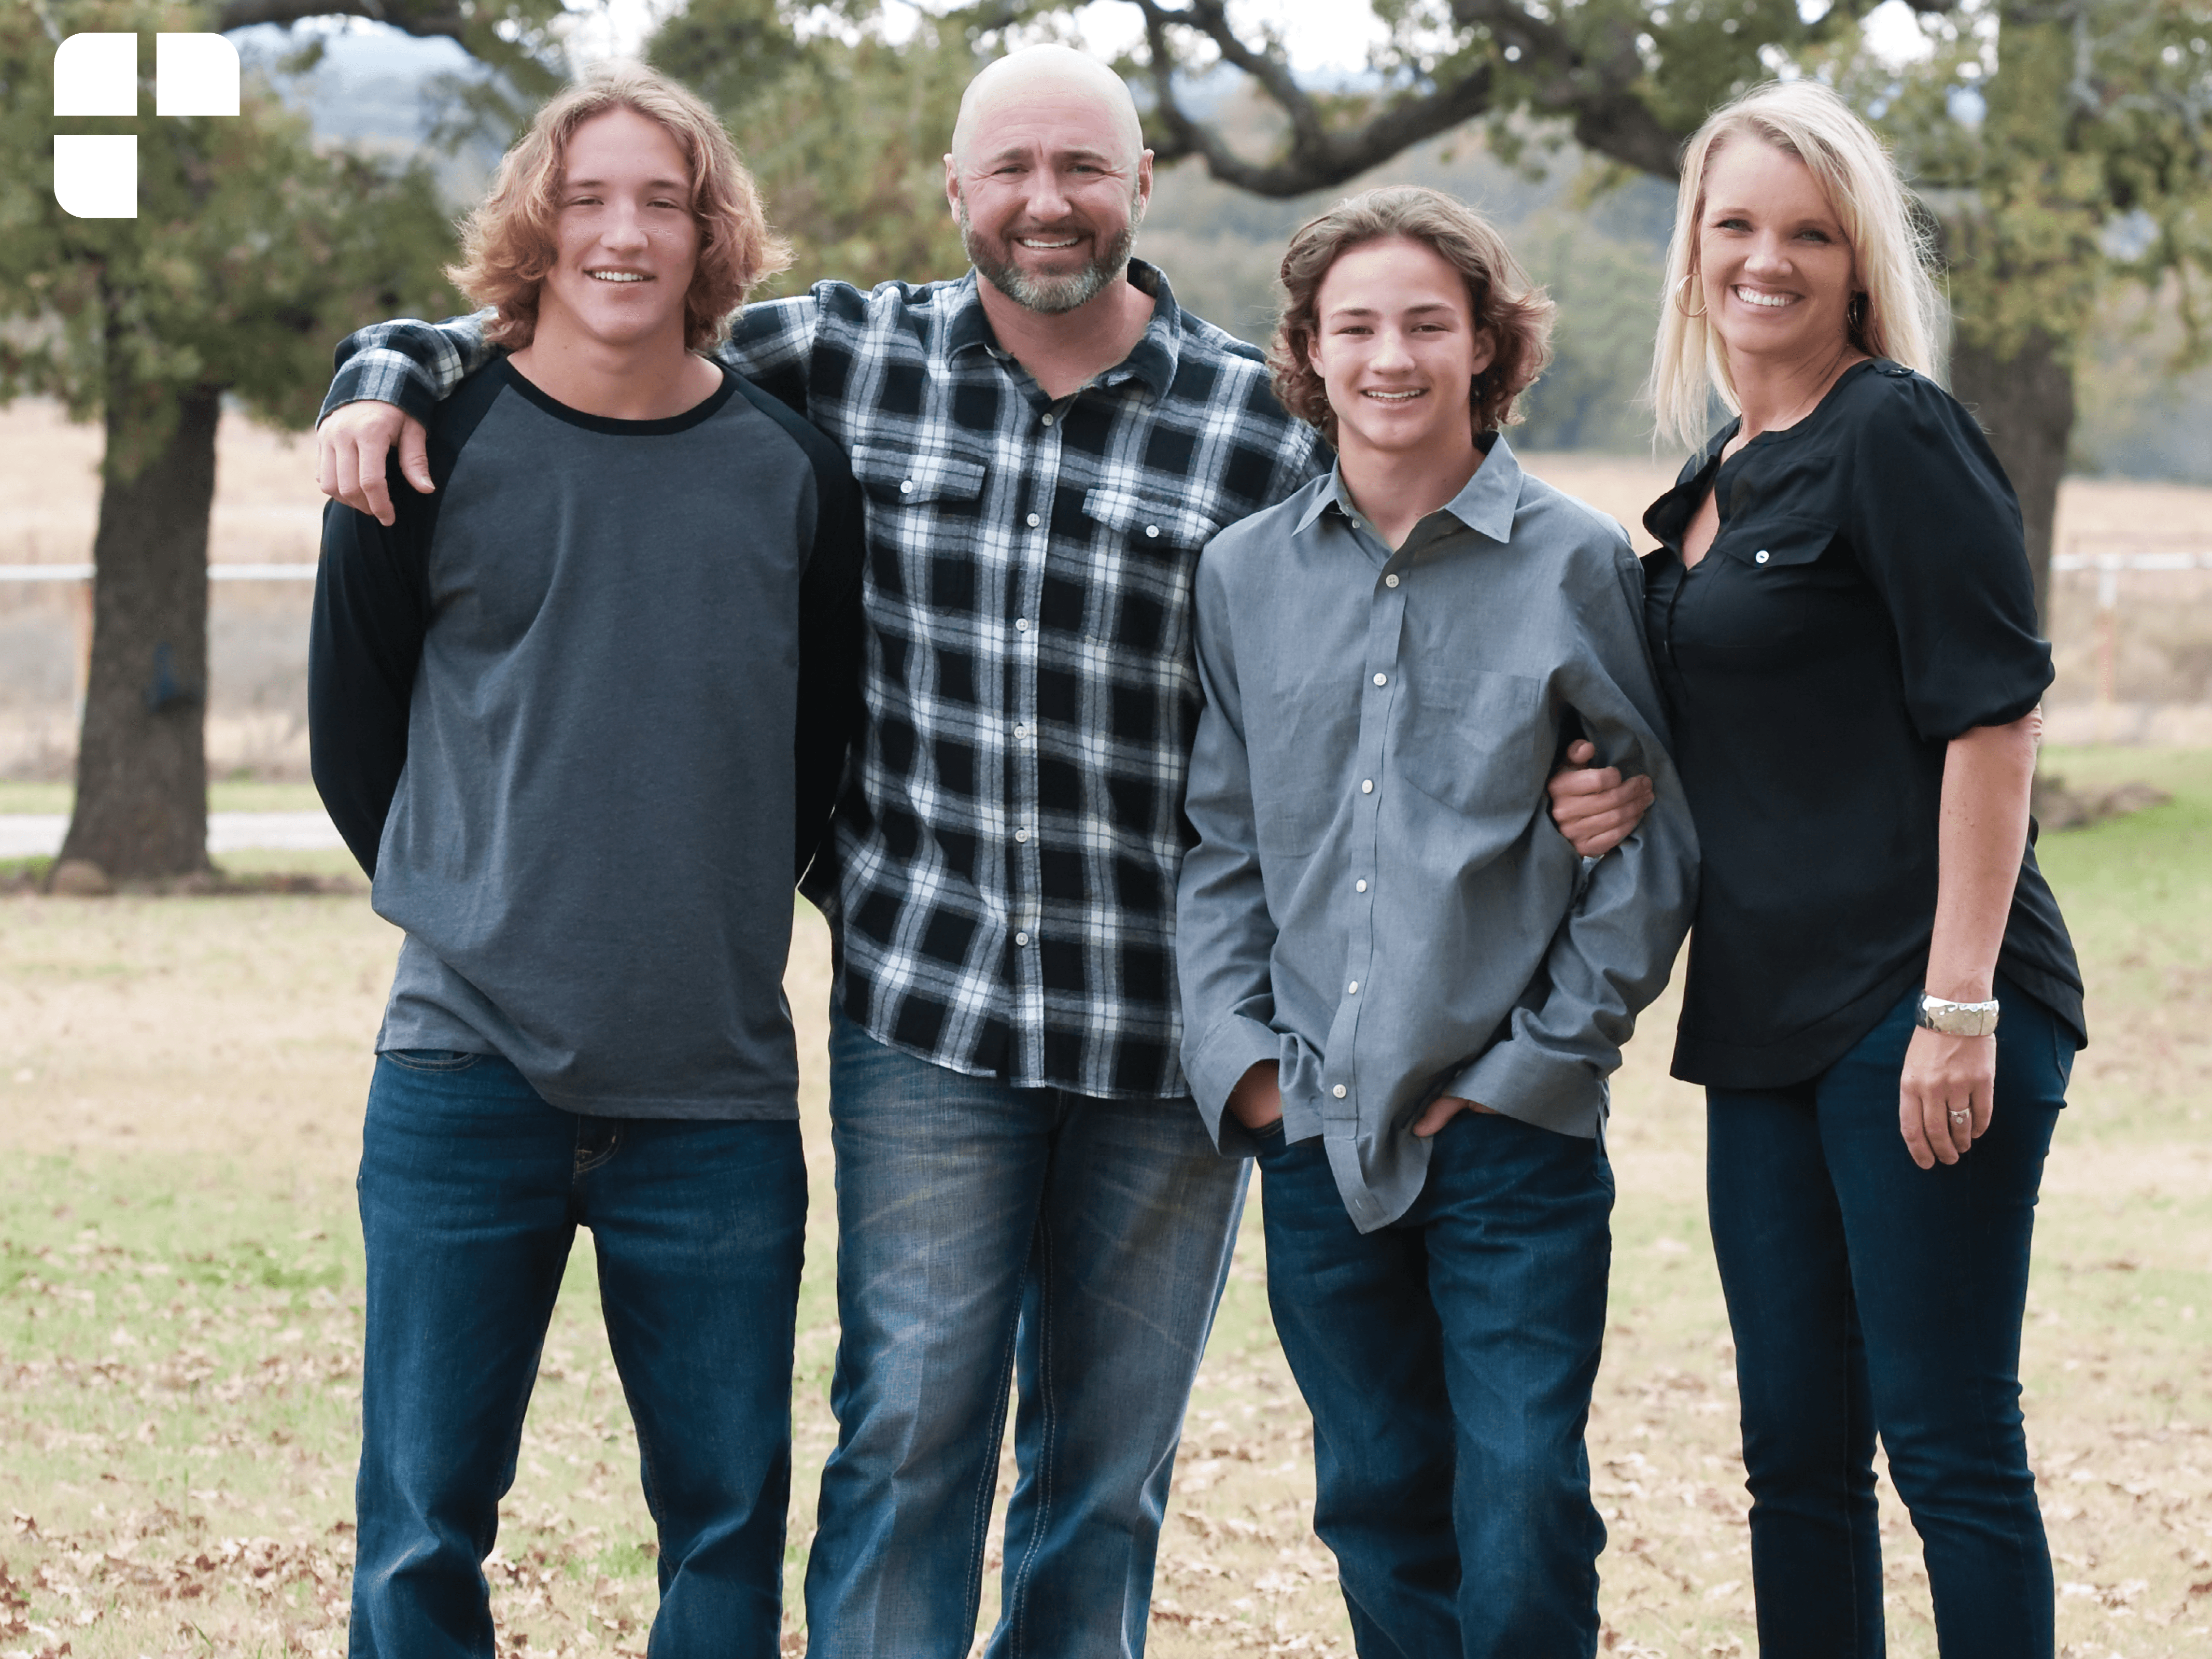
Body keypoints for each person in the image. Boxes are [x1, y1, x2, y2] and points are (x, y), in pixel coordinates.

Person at [309, 64, 863, 1658]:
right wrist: (484, 895)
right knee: (421, 1527)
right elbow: (361, 741)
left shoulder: (792, 471)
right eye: (590, 198)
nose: (624, 233)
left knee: (726, 1530)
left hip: (713, 1093)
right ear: (536, 227)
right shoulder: (423, 440)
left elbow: (816, 752)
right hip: (463, 1071)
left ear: (711, 237)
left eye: (663, 202)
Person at [1175, 185, 1698, 1656]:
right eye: (1355, 327)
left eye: (1426, 324)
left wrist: (1538, 1064)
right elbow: (1222, 846)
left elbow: (1652, 842)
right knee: (1379, 1492)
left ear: (1487, 348)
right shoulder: (1243, 574)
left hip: (1510, 1131)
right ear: (1310, 353)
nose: (1389, 357)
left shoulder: (1579, 563)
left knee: (1523, 1494)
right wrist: (1249, 1065)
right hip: (1314, 1124)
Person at [1604, 79, 2086, 1657]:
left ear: (1859, 261)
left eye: (1808, 232)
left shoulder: (1896, 432)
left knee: (1946, 1441)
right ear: (1691, 251)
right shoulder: (1705, 480)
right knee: (1794, 1459)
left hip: (1919, 998)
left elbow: (1993, 718)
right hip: (1761, 1020)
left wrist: (1957, 1008)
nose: (1768, 259)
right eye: (1735, 225)